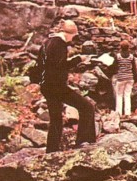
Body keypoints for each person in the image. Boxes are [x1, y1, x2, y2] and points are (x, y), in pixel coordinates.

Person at [39, 19, 96, 153]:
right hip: (57, 86)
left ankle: (51, 150)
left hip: (47, 85)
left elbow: (43, 65)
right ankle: (83, 142)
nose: (72, 40)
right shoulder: (60, 44)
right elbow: (60, 66)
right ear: (69, 33)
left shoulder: (47, 42)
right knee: (87, 107)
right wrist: (78, 59)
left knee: (56, 119)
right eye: (73, 36)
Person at [112, 40, 137, 117]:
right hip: (130, 78)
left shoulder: (118, 56)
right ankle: (127, 113)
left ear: (121, 47)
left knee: (119, 95)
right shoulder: (131, 56)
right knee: (127, 95)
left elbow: (114, 66)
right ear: (128, 47)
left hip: (121, 78)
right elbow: (134, 68)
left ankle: (119, 113)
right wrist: (135, 77)